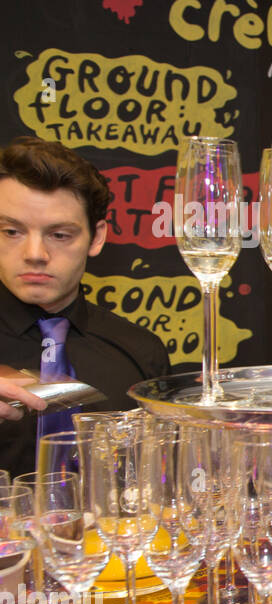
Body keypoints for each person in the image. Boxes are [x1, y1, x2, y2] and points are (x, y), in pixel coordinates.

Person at [0, 137, 170, 475]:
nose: (35, 253)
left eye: (59, 235)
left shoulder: (140, 352)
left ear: (96, 238)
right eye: (11, 231)